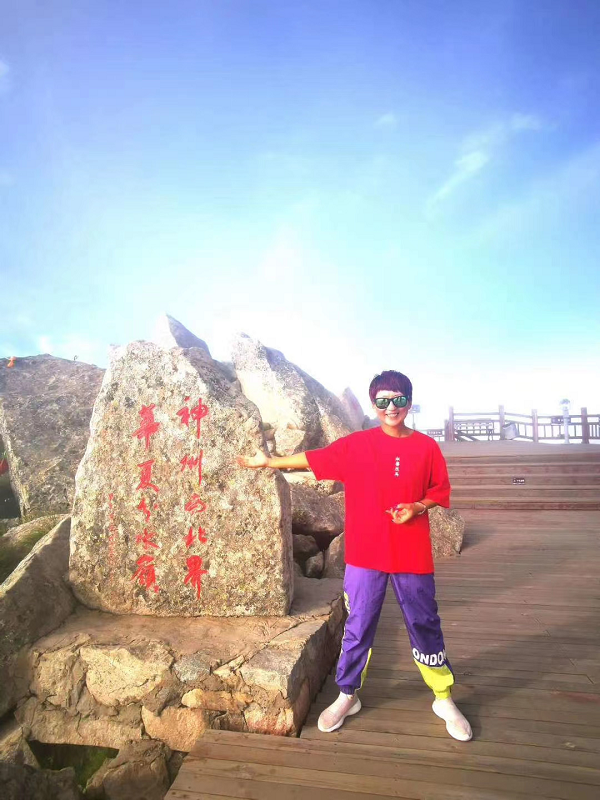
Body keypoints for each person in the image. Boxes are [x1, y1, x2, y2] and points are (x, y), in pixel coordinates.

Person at [237, 370, 472, 742]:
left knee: (425, 622)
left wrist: (416, 507)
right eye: (382, 401)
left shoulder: (427, 447)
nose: (391, 407)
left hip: (411, 554)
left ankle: (443, 696)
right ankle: (348, 694)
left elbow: (438, 490)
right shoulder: (358, 445)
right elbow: (313, 458)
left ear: (409, 402)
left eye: (398, 399)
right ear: (373, 404)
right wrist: (269, 462)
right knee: (358, 624)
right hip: (365, 553)